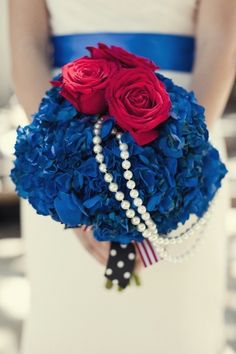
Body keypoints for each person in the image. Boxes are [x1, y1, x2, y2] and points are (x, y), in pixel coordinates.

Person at [9, 1, 236, 353]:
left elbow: (220, 39)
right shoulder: (63, 165)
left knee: (176, 329)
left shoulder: (184, 157)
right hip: (63, 148)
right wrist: (73, 180)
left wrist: (178, 162)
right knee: (71, 324)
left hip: (184, 147)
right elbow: (26, 44)